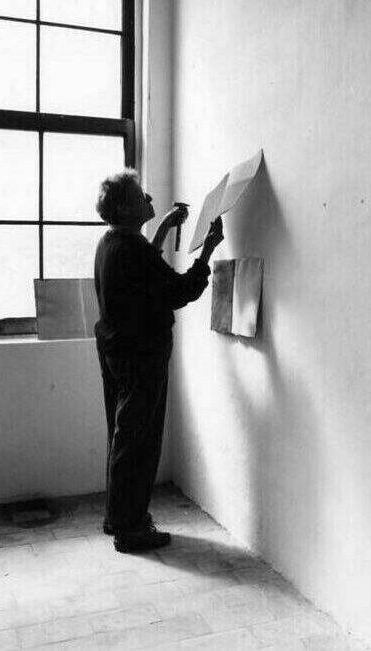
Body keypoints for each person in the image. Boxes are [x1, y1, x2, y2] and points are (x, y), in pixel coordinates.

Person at [93, 169, 224, 553]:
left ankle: (119, 519)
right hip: (140, 356)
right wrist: (208, 250)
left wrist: (164, 226)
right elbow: (180, 290)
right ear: (125, 208)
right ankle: (130, 529)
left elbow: (144, 271)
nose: (149, 198)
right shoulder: (131, 249)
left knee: (123, 436)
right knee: (138, 440)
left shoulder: (112, 241)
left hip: (117, 351)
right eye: (141, 195)